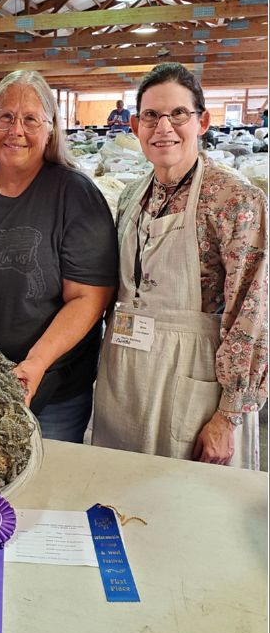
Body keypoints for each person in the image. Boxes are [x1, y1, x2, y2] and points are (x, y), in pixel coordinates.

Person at [0, 70, 118, 442]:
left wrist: (36, 363)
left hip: (51, 389)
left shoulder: (75, 195)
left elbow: (88, 297)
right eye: (5, 117)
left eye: (30, 119)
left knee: (45, 491)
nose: (16, 130)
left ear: (50, 129)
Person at [92, 63, 267, 470]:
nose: (163, 127)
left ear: (202, 121)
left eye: (178, 114)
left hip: (191, 373)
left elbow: (252, 312)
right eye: (151, 115)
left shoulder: (234, 200)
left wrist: (228, 414)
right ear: (135, 125)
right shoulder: (132, 196)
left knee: (183, 501)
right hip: (125, 369)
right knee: (118, 488)